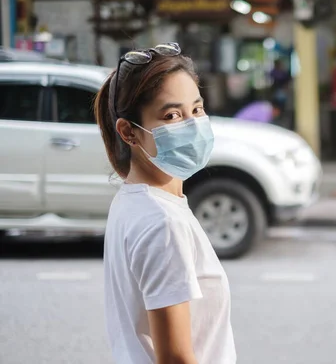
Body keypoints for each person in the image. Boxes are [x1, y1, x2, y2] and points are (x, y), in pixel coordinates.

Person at [94, 42, 236, 364]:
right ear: (129, 132)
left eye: (196, 109)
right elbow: (175, 358)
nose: (193, 125)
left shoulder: (134, 201)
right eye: (172, 115)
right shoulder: (163, 223)